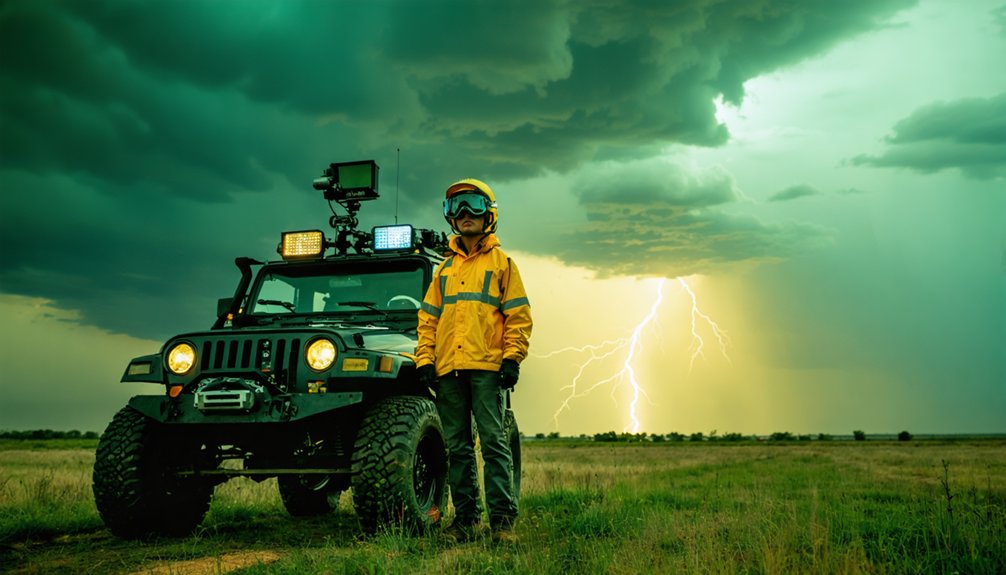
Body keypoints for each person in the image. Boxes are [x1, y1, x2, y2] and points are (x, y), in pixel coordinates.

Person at [415, 178, 533, 544]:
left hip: (487, 369)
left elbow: (519, 316)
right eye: (456, 206)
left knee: (494, 444)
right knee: (458, 448)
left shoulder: (503, 264)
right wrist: (424, 359)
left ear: (489, 214)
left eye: (474, 205)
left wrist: (512, 359)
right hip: (449, 370)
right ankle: (465, 521)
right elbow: (428, 319)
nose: (465, 214)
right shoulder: (444, 270)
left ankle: (502, 523)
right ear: (450, 217)